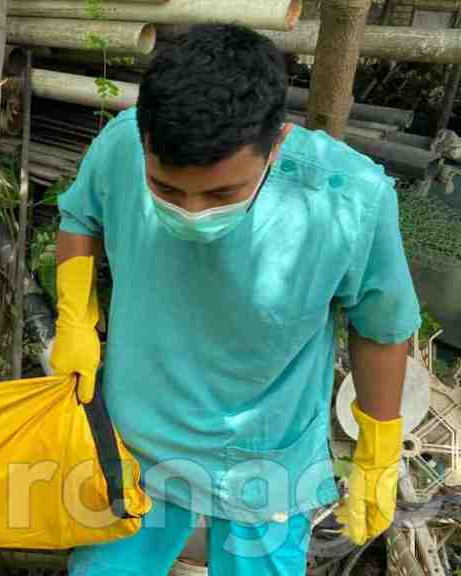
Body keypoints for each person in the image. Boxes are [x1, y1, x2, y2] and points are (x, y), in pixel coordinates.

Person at [50, 25, 420, 576]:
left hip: (264, 460)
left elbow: (380, 328)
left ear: (276, 143)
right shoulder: (120, 147)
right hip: (135, 440)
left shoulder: (348, 199)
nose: (193, 211)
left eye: (221, 193)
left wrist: (379, 450)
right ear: (145, 141)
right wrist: (75, 317)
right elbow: (81, 215)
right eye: (168, 190)